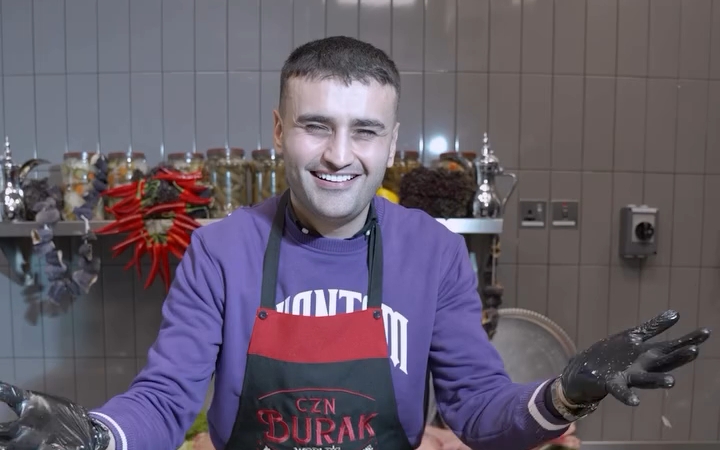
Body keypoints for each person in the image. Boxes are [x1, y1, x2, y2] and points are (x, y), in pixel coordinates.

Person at [0, 36, 710, 450]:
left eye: (364, 131)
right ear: (279, 131)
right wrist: (101, 437)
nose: (339, 155)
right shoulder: (222, 251)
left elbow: (476, 405)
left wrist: (559, 397)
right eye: (316, 125)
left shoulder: (431, 253)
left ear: (391, 142)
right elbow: (164, 400)